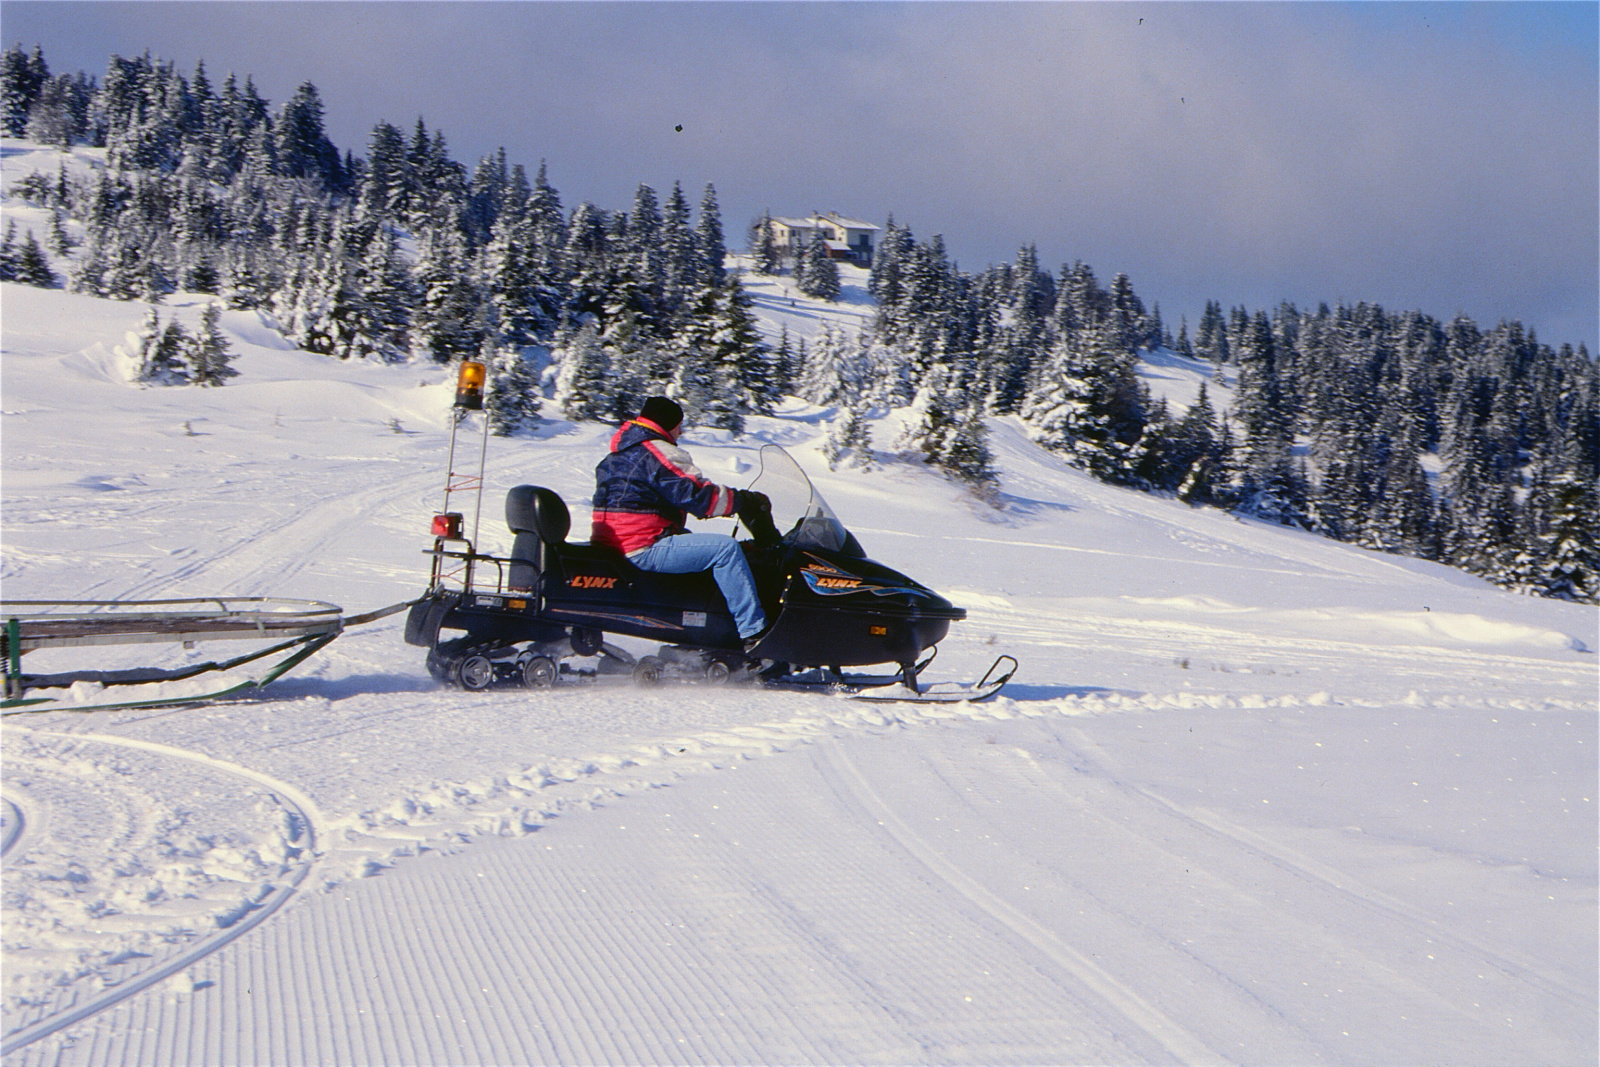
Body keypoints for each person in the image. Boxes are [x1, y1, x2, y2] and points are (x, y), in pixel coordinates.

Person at [591, 397, 770, 649]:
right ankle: (755, 635)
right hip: (642, 546)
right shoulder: (659, 452)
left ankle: (706, 632)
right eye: (678, 425)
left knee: (697, 543)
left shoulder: (618, 455)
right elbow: (699, 498)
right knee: (725, 549)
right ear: (666, 424)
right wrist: (743, 500)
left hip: (615, 543)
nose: (681, 431)